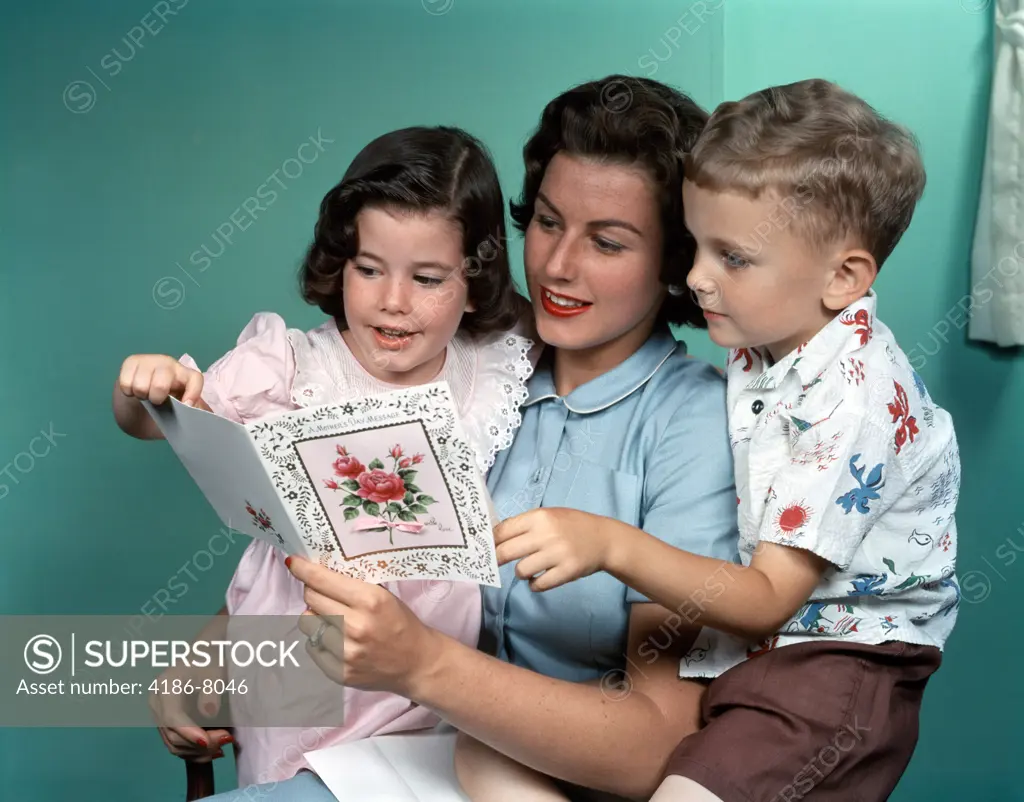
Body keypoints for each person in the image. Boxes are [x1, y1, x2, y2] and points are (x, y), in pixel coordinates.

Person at [494, 79, 962, 802]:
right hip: (767, 656)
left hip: (837, 666)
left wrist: (609, 543)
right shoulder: (769, 336)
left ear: (843, 277)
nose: (698, 278)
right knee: (478, 758)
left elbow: (767, 599)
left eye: (730, 258)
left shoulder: (848, 401)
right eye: (547, 224)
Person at [286, 74, 740, 802]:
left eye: (608, 242)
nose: (558, 267)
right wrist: (215, 669)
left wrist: (425, 665)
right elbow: (316, 538)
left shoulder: (692, 428)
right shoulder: (467, 358)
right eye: (550, 223)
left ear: (675, 264)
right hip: (392, 750)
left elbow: (660, 746)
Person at [112, 126, 537, 797]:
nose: (392, 300)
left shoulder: (491, 371)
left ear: (475, 284)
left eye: (427, 278)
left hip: (423, 697)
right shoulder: (290, 367)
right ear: (341, 263)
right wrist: (145, 388)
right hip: (295, 676)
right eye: (369, 269)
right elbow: (162, 420)